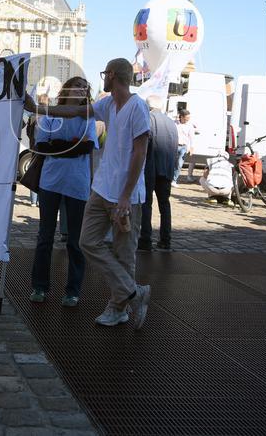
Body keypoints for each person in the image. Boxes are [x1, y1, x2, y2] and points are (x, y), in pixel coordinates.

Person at [79, 58, 152, 329]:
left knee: (124, 254)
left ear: (112, 75)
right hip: (102, 189)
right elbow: (81, 112)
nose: (103, 79)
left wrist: (125, 197)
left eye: (104, 74)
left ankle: (117, 308)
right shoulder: (108, 105)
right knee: (87, 241)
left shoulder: (138, 107)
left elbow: (140, 152)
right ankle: (134, 292)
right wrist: (40, 107)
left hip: (127, 196)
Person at [22, 76, 97, 307]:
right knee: (45, 237)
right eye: (77, 86)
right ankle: (39, 286)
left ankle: (73, 290)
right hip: (51, 182)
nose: (80, 90)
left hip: (77, 183)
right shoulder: (50, 114)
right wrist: (72, 145)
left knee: (75, 241)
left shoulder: (87, 116)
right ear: (67, 89)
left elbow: (87, 146)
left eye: (84, 88)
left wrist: (61, 146)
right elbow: (43, 146)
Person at [139, 95, 178, 251]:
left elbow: (144, 144)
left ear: (148, 106)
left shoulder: (148, 119)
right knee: (164, 204)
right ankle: (165, 239)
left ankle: (145, 239)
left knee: (146, 204)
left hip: (150, 167)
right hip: (166, 168)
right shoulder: (171, 122)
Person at [174, 109, 195, 183]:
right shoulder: (175, 123)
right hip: (174, 146)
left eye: (189, 118)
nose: (188, 119)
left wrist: (191, 148)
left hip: (183, 147)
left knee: (179, 164)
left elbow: (192, 137)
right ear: (182, 117)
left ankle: (174, 180)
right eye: (187, 118)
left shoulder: (190, 125)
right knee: (172, 163)